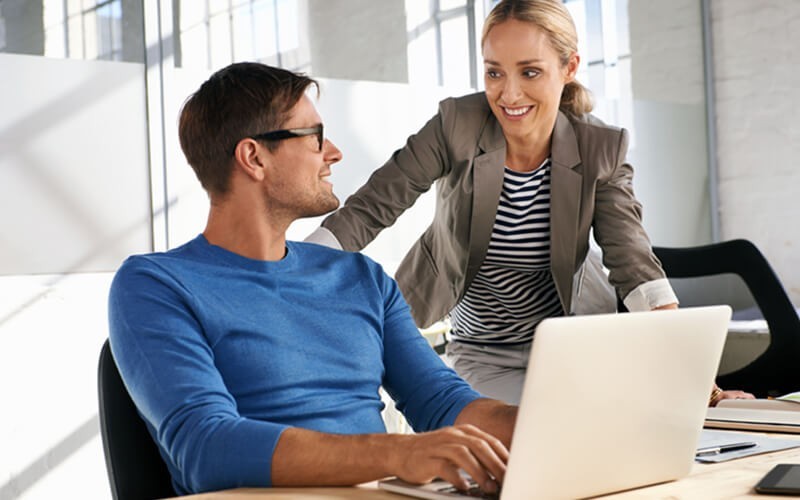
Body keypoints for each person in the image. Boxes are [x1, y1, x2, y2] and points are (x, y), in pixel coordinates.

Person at [307, 0, 752, 406]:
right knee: (503, 454)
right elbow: (372, 207)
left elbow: (634, 265)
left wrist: (705, 387)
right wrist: (293, 272)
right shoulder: (454, 126)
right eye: (494, 72)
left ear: (570, 67)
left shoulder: (600, 147)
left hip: (579, 342)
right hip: (484, 352)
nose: (509, 94)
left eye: (530, 72)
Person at [108, 62, 517, 496]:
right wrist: (397, 453)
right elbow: (207, 448)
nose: (334, 153)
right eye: (315, 137)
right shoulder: (156, 284)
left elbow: (442, 402)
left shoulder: (362, 278)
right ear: (253, 157)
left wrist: (546, 424)